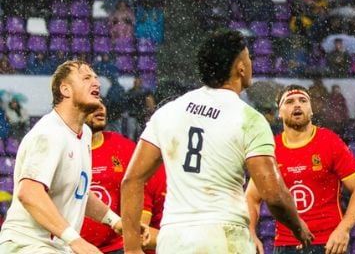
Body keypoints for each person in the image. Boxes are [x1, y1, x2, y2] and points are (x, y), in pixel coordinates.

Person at [118, 29, 312, 254]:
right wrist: (298, 227)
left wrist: (132, 249)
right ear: (240, 68)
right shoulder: (249, 119)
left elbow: (131, 181)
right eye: (248, 58)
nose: (250, 63)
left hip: (174, 239)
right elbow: (273, 194)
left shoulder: (168, 112)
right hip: (224, 236)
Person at [0, 60, 128, 254]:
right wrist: (75, 240)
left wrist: (116, 221)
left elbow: (79, 191)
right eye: (86, 78)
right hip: (26, 245)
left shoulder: (83, 133)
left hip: (55, 248)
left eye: (95, 78)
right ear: (65, 90)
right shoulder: (49, 133)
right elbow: (29, 193)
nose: (97, 83)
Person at [246, 86, 355, 254]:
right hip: (285, 245)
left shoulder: (330, 141)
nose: (297, 105)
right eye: (289, 101)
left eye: (303, 101)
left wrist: (343, 230)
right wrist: (251, 232)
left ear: (311, 110)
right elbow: (252, 198)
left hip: (328, 244)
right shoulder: (271, 149)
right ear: (279, 112)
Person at [81, 102, 162, 254]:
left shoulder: (123, 147)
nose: (100, 108)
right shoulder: (63, 149)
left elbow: (142, 197)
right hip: (71, 246)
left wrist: (134, 242)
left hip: (117, 248)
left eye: (102, 103)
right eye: (91, 106)